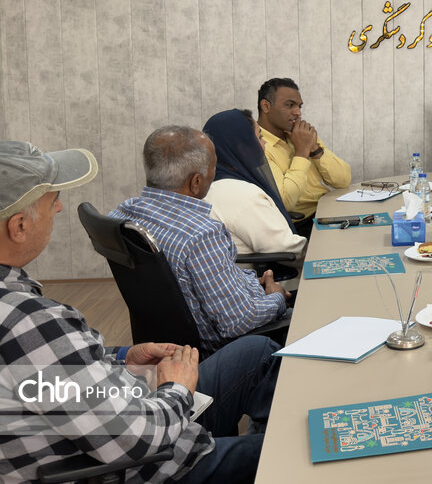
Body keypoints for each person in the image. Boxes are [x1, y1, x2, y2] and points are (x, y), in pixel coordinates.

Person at [0, 140, 280, 483]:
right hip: (155, 463)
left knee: (257, 352)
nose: (58, 208)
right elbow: (135, 441)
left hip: (122, 411)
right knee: (294, 454)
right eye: (52, 199)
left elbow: (43, 372)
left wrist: (120, 358)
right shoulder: (28, 321)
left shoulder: (21, 314)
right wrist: (177, 388)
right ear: (19, 226)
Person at [111, 126, 291, 352]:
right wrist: (276, 297)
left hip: (165, 346)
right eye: (214, 167)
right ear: (196, 182)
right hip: (219, 351)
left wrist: (253, 283)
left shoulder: (122, 214)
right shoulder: (202, 235)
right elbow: (239, 322)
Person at [203, 109, 306, 257]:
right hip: (273, 269)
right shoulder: (241, 195)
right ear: (242, 148)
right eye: (259, 137)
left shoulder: (210, 186)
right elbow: (289, 250)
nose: (264, 144)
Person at [257, 77, 351, 225]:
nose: (298, 113)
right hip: (303, 223)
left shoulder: (301, 134)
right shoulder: (258, 146)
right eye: (290, 105)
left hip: (328, 209)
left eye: (299, 106)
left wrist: (314, 148)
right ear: (266, 106)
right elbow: (286, 202)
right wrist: (301, 152)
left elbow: (343, 180)